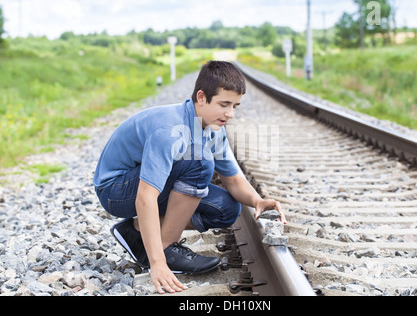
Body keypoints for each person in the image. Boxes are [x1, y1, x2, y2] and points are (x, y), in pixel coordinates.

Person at [93, 60, 286, 294]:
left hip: (145, 185)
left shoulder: (214, 127)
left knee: (227, 209)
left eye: (235, 106)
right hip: (115, 189)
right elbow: (145, 197)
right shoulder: (169, 130)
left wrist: (257, 201)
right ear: (202, 97)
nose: (230, 114)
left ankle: (134, 231)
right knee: (199, 160)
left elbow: (233, 179)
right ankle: (166, 250)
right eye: (224, 104)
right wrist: (157, 264)